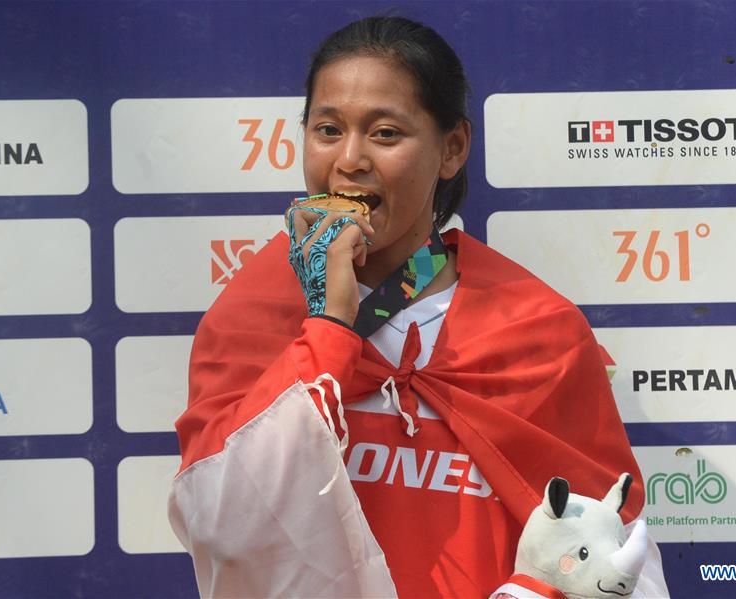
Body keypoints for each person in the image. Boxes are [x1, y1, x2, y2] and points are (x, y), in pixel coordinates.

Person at [169, 16, 669, 598]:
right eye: (328, 129)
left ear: (451, 148)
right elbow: (221, 522)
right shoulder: (253, 314)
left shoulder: (536, 328)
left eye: (384, 134)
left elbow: (611, 554)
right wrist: (327, 326)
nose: (350, 159)